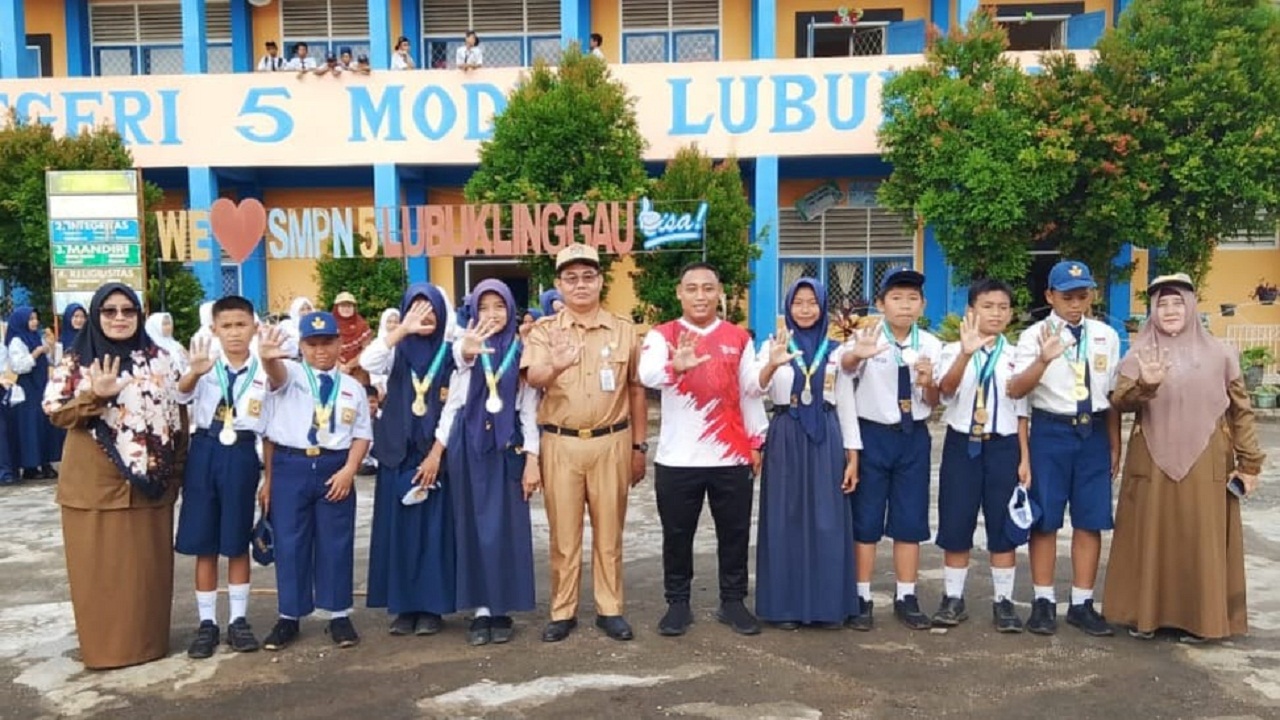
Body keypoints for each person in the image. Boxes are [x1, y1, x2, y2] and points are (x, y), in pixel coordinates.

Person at [1104, 273, 1264, 643]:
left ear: (1191, 307)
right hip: (1152, 459)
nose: (1170, 310)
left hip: (1207, 458)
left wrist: (1249, 463)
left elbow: (1241, 412)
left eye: (1178, 302)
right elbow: (1120, 402)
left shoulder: (1221, 353)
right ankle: (1146, 616)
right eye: (1162, 303)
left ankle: (1202, 621)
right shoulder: (1139, 352)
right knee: (1151, 534)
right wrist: (1147, 383)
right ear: (1153, 310)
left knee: (1200, 536)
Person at [43, 283, 187, 669]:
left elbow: (177, 419)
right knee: (101, 576)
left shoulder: (160, 360)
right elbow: (56, 412)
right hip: (94, 490)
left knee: (147, 576)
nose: (120, 318)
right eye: (109, 311)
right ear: (95, 315)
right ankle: (106, 652)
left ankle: (149, 645)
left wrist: (175, 475)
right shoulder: (76, 361)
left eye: (128, 311)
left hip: (150, 487)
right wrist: (96, 396)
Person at [522, 244, 647, 643]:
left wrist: (639, 448)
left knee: (610, 532)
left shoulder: (625, 330)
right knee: (564, 533)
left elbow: (637, 390)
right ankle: (563, 609)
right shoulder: (545, 331)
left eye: (588, 276)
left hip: (613, 441)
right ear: (558, 285)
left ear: (600, 281)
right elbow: (534, 378)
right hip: (561, 443)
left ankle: (610, 608)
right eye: (571, 278)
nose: (580, 285)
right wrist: (557, 363)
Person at [637, 263, 767, 637]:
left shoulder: (738, 337)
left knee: (735, 532)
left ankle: (733, 601)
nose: (700, 296)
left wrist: (756, 440)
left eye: (707, 288)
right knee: (677, 534)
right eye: (691, 288)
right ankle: (677, 603)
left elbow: (750, 392)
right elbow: (646, 375)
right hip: (678, 458)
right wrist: (674, 366)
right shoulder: (664, 335)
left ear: (719, 292)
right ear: (679, 292)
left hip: (730, 456)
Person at [1007, 260, 1121, 637]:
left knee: (1091, 519)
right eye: (1067, 296)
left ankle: (1082, 602)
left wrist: (1115, 444)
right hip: (1050, 432)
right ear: (1049, 296)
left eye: (1082, 296)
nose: (1075, 304)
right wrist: (1044, 359)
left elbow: (1114, 397)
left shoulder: (1106, 335)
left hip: (1093, 434)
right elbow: (1016, 390)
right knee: (1045, 519)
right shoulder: (1033, 336)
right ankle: (1043, 601)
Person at [175, 297, 287, 658]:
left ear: (254, 327)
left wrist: (268, 479)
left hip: (241, 452)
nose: (235, 333)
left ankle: (238, 620)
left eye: (242, 325)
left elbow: (271, 427)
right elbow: (179, 393)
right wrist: (194, 371)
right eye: (227, 326)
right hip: (205, 450)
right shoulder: (205, 364)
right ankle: (207, 623)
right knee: (204, 543)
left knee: (236, 540)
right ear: (214, 330)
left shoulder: (263, 368)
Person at [259, 311, 373, 651]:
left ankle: (338, 614)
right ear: (302, 347)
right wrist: (267, 360)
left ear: (340, 343)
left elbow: (362, 434)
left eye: (327, 343)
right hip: (291, 465)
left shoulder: (352, 388)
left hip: (333, 466)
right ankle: (289, 616)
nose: (320, 351)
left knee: (335, 542)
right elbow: (275, 373)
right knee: (290, 543)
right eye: (312, 344)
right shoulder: (290, 375)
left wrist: (350, 470)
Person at [753, 279, 861, 630]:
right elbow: (755, 388)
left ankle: (828, 606)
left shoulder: (835, 350)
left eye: (812, 302)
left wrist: (852, 455)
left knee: (826, 521)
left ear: (823, 306)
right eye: (797, 302)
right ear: (787, 307)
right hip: (786, 434)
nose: (804, 309)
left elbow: (846, 402)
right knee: (786, 519)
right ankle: (784, 608)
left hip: (826, 438)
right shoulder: (773, 345)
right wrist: (770, 364)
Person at [439, 279, 540, 645]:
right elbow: (461, 366)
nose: (492, 314)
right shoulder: (463, 344)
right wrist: (468, 348)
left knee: (507, 528)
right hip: (469, 444)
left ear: (512, 309)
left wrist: (533, 458)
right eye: (484, 307)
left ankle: (503, 608)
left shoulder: (523, 348)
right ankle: (481, 609)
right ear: (473, 311)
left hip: (507, 444)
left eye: (500, 306)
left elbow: (529, 409)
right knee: (472, 525)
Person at [840, 269, 941, 630]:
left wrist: (929, 384)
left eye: (912, 299)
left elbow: (934, 399)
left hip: (913, 436)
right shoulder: (864, 338)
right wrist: (857, 355)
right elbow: (844, 371)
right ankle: (862, 596)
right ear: (881, 303)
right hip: (872, 437)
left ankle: (906, 595)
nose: (905, 306)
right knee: (865, 520)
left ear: (923, 304)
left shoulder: (931, 345)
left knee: (909, 520)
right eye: (897, 298)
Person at [932, 280, 1032, 632]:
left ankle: (1003, 602)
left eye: (1003, 307)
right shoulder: (951, 350)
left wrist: (1024, 458)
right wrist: (966, 353)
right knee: (956, 522)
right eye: (988, 306)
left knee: (1002, 526)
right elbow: (945, 389)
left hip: (1003, 447)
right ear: (971, 311)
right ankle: (953, 598)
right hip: (963, 445)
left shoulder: (1018, 355)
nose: (996, 313)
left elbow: (1022, 412)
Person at [360, 284, 458, 637]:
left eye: (429, 308)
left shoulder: (451, 353)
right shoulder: (393, 350)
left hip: (434, 454)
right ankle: (403, 607)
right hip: (397, 452)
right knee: (399, 530)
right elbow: (365, 363)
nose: (424, 315)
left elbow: (456, 406)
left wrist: (437, 453)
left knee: (433, 531)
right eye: (415, 308)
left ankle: (432, 608)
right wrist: (400, 331)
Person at [8, 306, 59, 480]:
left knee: (44, 424)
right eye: (30, 319)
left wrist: (50, 348)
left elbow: (52, 361)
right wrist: (35, 354)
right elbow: (18, 366)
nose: (34, 322)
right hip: (27, 388)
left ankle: (45, 462)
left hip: (41, 385)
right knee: (30, 426)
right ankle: (30, 466)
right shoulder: (17, 340)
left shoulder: (36, 337)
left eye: (36, 318)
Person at [334, 292, 373, 387]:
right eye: (343, 305)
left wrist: (349, 366)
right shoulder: (330, 324)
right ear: (336, 307)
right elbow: (325, 347)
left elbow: (366, 350)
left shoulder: (362, 325)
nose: (346, 309)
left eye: (349, 306)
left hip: (358, 370)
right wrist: (339, 366)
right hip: (334, 368)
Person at [370, 309, 400, 395]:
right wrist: (378, 386)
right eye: (389, 322)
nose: (393, 325)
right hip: (382, 386)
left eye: (396, 322)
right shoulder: (378, 343)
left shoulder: (405, 342)